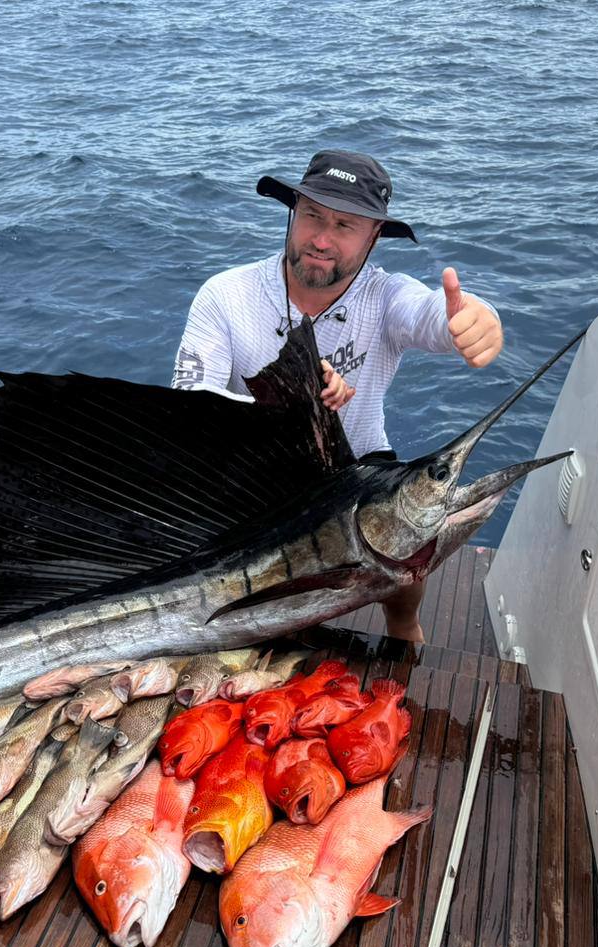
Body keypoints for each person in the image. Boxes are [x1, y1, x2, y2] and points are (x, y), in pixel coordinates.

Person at [171, 149, 503, 644]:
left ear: (374, 237)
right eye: (312, 216)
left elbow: (431, 313)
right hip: (249, 476)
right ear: (292, 212)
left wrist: (476, 318)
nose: (322, 239)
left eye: (345, 225)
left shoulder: (386, 296)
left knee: (413, 534)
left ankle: (404, 626)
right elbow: (189, 406)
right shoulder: (225, 295)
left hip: (358, 465)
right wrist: (294, 401)